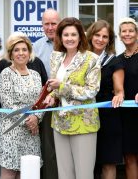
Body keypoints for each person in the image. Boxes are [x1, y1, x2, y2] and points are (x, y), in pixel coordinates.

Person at [44, 17, 101, 179]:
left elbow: (91, 91)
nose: (69, 38)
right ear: (60, 37)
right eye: (65, 34)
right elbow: (54, 87)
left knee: (83, 174)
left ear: (80, 37)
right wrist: (51, 96)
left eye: (73, 34)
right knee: (64, 174)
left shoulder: (91, 59)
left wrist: (61, 87)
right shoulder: (56, 57)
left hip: (83, 122)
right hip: (59, 123)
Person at [0, 34, 43, 179]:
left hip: (31, 133)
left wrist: (36, 118)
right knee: (9, 173)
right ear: (11, 54)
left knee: (28, 173)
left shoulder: (35, 75)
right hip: (11, 131)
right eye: (16, 50)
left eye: (24, 49)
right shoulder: (6, 74)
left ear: (29, 52)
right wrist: (29, 120)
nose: (21, 53)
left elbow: (40, 102)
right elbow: (7, 103)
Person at [86, 20, 124, 179]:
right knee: (87, 163)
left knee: (108, 162)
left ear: (109, 40)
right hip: (85, 116)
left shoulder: (114, 61)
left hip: (108, 118)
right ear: (90, 36)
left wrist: (120, 95)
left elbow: (119, 90)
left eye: (105, 36)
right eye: (97, 35)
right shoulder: (81, 59)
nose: (100, 39)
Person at [33, 8, 60, 179]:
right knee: (48, 149)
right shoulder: (35, 47)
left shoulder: (70, 43)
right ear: (42, 25)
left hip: (69, 102)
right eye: (46, 24)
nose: (50, 27)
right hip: (46, 104)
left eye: (54, 23)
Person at [117, 17, 138, 179]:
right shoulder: (119, 59)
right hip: (127, 116)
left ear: (136, 34)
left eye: (131, 30)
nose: (127, 34)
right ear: (119, 35)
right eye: (124, 31)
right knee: (130, 157)